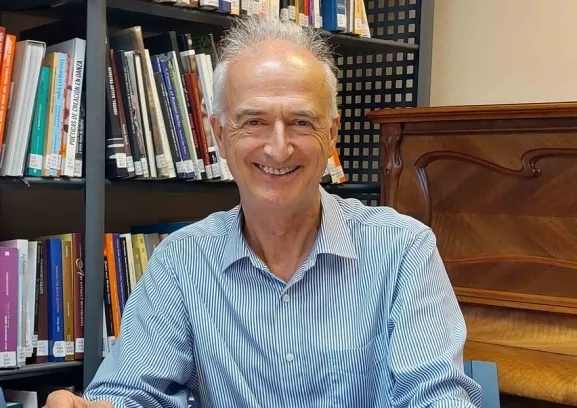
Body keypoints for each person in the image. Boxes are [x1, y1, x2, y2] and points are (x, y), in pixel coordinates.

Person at [46, 16, 482, 408]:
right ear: (219, 135)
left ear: (332, 135)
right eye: (253, 122)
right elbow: (136, 392)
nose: (278, 147)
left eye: (301, 122)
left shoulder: (402, 249)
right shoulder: (180, 263)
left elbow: (436, 396)